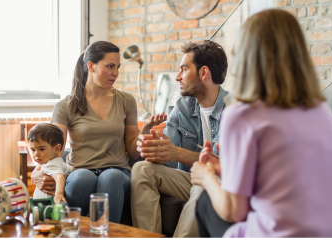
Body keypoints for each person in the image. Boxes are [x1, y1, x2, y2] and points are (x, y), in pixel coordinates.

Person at [191, 9, 332, 237]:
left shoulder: (242, 115)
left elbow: (234, 210)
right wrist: (224, 167)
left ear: (245, 58)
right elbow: (287, 179)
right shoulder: (321, 112)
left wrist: (206, 176)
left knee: (206, 201)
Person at [31, 41, 165, 223]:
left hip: (118, 171)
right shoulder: (65, 106)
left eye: (117, 67)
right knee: (82, 178)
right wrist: (38, 171)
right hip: (78, 169)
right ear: (91, 66)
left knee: (111, 176)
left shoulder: (126, 101)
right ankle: (69, 231)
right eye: (110, 66)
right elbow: (53, 149)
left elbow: (133, 151)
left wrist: (147, 128)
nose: (115, 73)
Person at [131, 40, 228, 237]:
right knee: (142, 169)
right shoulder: (182, 107)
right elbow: (166, 154)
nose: (177, 77)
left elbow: (222, 165)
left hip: (222, 182)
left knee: (204, 187)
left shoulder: (234, 110)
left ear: (203, 73)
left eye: (184, 69)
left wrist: (176, 152)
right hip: (189, 178)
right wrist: (151, 146)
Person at [29, 123, 73, 204]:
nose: (36, 154)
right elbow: (72, 169)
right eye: (33, 150)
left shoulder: (51, 164)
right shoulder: (57, 162)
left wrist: (59, 194)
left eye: (41, 149)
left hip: (48, 204)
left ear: (56, 149)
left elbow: (60, 177)